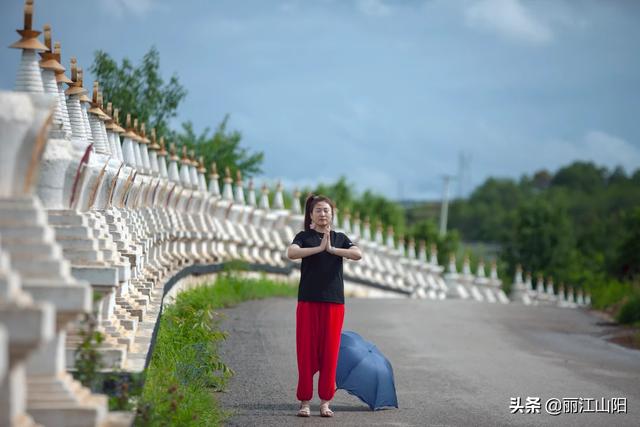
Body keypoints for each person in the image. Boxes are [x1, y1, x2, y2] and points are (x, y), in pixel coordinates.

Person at [287, 194, 363, 418]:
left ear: (332, 214)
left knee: (330, 352)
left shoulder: (339, 238)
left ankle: (325, 402)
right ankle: (304, 401)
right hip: (308, 301)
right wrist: (318, 248)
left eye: (326, 210)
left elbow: (357, 254)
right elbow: (291, 253)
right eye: (318, 210)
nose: (323, 214)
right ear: (310, 214)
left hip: (334, 303)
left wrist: (332, 250)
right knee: (306, 351)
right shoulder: (304, 236)